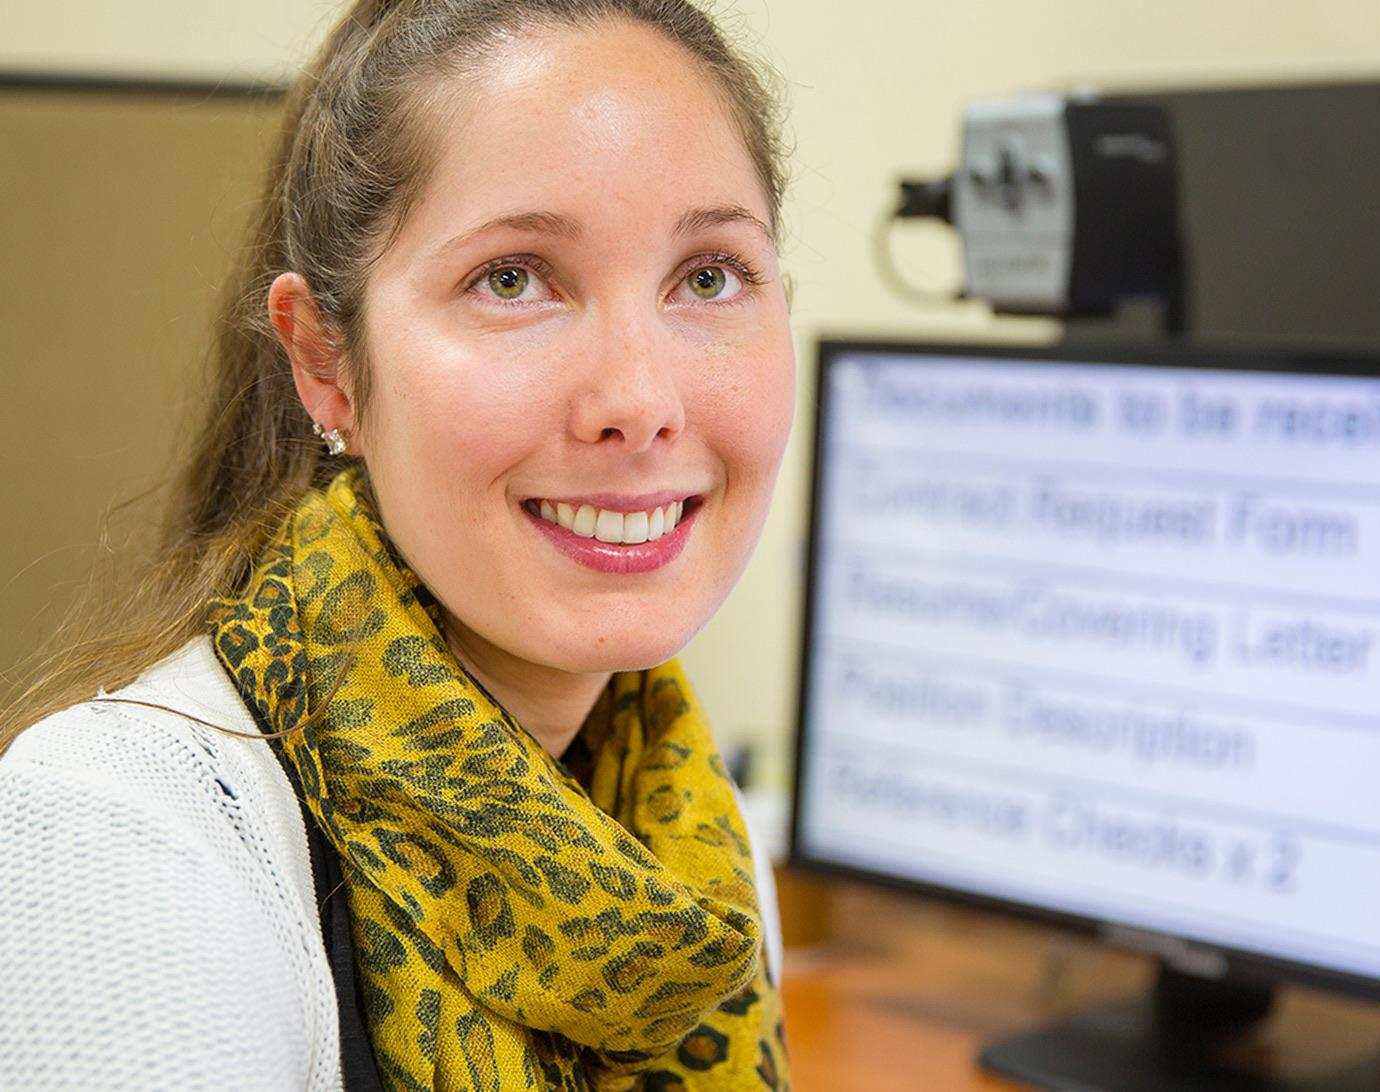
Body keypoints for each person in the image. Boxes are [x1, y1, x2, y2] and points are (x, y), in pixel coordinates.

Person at [0, 0, 795, 1088]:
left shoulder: (693, 840)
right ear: (327, 364)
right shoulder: (119, 844)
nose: (639, 400)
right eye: (512, 278)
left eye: (708, 276)